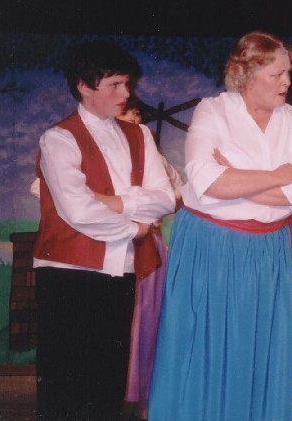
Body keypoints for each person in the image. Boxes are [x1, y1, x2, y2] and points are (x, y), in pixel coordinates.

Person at [148, 31, 292, 420]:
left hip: (269, 251)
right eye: (277, 74)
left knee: (260, 352)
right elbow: (207, 182)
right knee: (203, 347)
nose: (287, 82)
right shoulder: (212, 111)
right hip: (210, 245)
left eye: (288, 73)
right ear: (247, 74)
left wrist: (237, 176)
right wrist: (278, 177)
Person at [33, 41, 176, 420]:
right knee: (65, 386)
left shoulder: (140, 136)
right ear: (84, 85)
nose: (126, 93)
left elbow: (164, 199)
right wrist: (135, 226)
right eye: (115, 85)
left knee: (108, 384)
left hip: (121, 269)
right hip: (69, 273)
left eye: (126, 83)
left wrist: (114, 201)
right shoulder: (59, 138)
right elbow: (78, 210)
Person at [116, 103, 184, 421]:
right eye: (125, 113)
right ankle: (114, 396)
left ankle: (145, 398)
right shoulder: (100, 154)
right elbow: (44, 188)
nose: (133, 118)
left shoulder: (155, 158)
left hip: (149, 248)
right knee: (118, 320)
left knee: (149, 320)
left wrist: (153, 211)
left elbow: (179, 191)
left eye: (137, 114)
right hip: (113, 243)